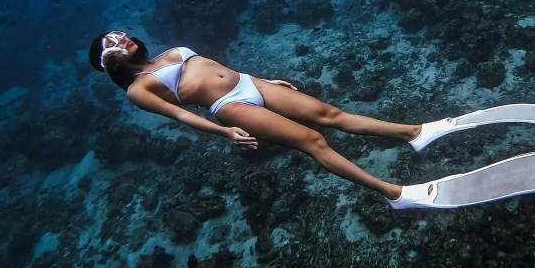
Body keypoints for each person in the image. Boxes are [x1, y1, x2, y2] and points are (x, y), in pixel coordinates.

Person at [88, 30, 423, 204]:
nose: (122, 38)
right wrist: (226, 132)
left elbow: (217, 69)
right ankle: (393, 193)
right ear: (109, 61)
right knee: (313, 141)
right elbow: (180, 115)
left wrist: (264, 82)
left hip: (250, 83)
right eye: (112, 42)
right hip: (229, 107)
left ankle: (412, 133)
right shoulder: (137, 89)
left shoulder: (166, 53)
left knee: (329, 113)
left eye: (121, 33)